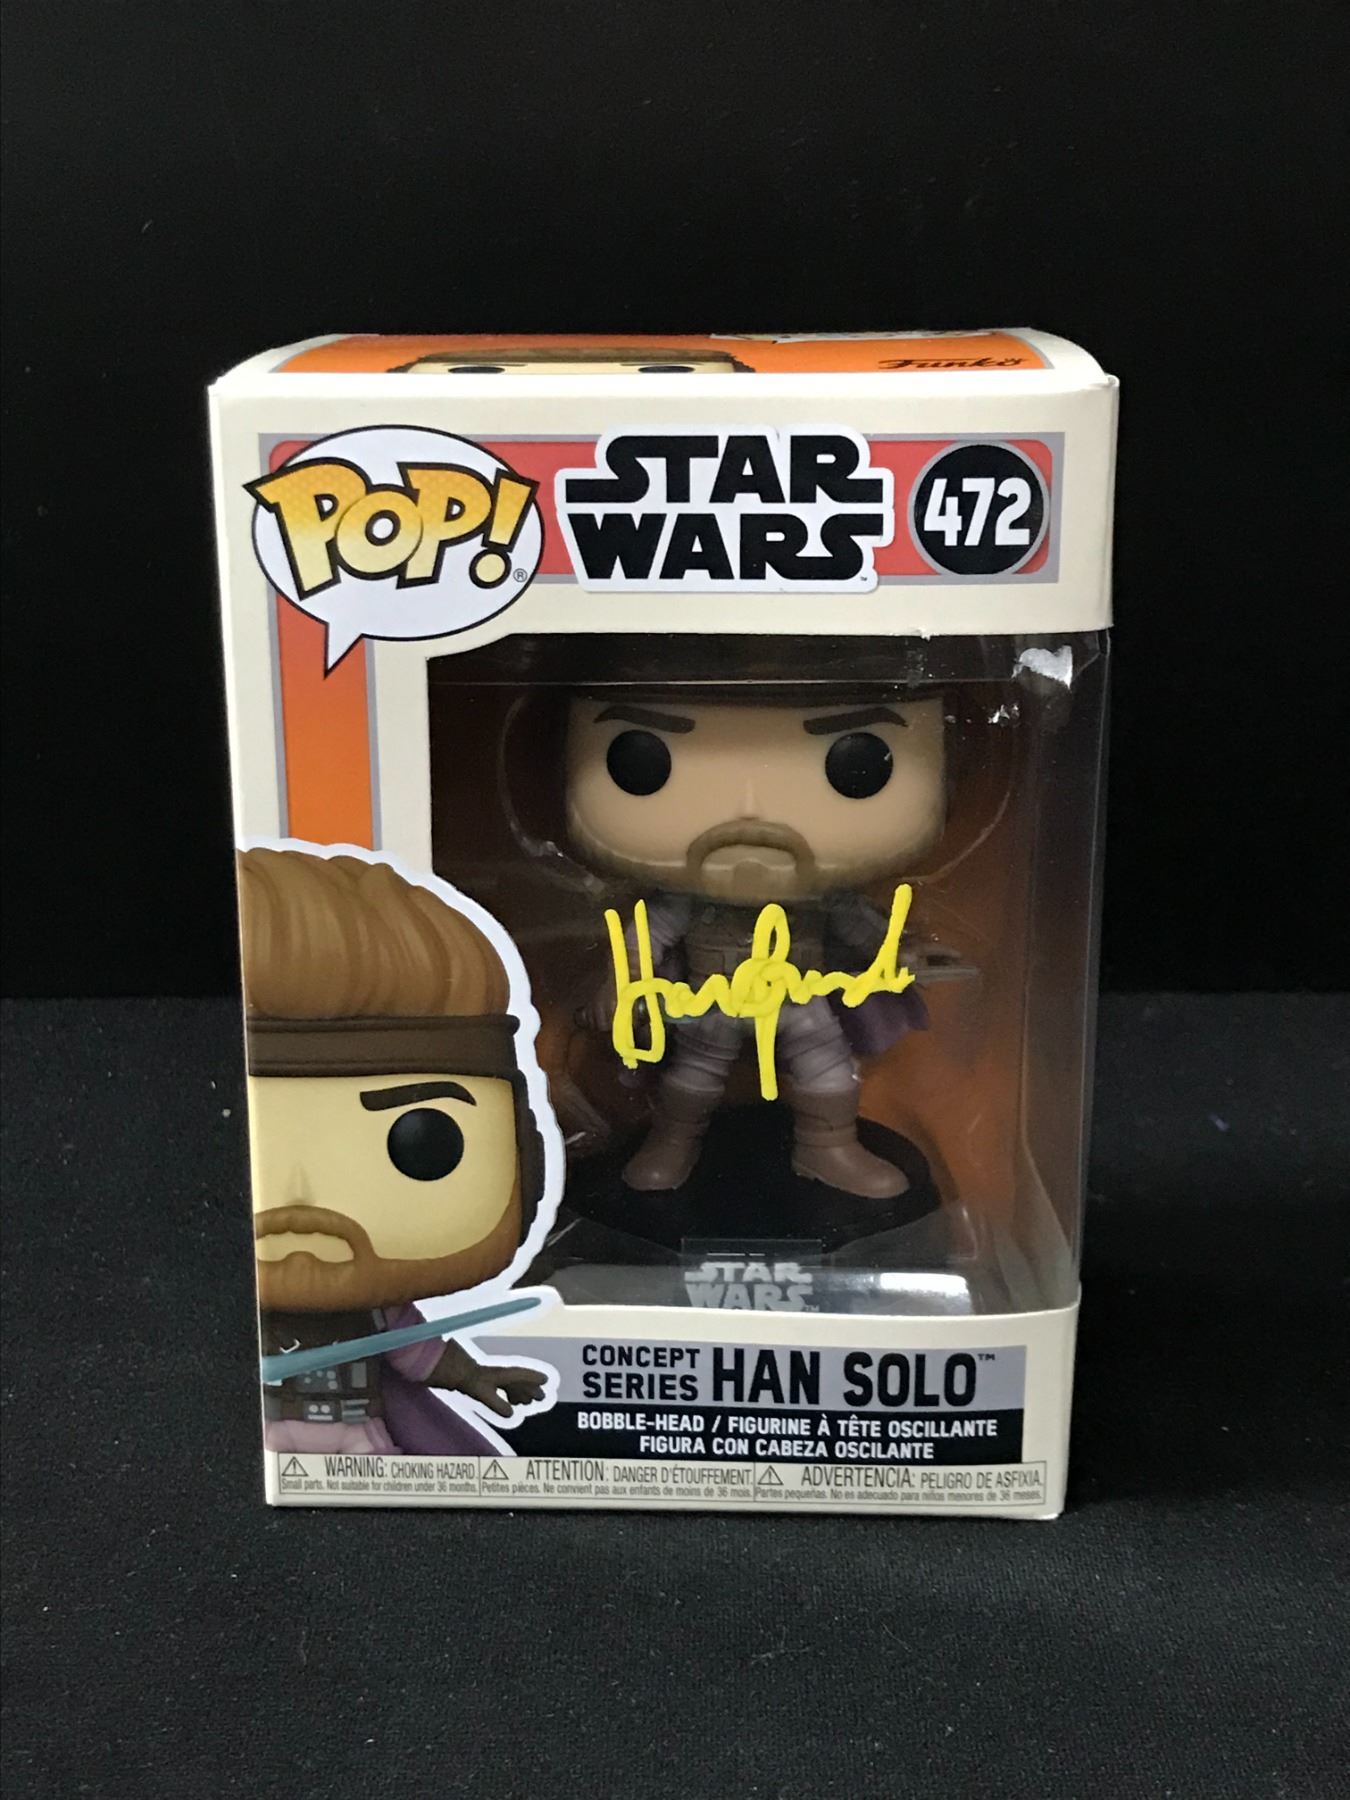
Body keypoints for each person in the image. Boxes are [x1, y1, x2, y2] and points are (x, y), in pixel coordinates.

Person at [240, 848, 548, 1455]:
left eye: (425, 1142)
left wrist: (475, 1376)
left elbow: (417, 1352)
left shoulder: (378, 1312)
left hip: (360, 1447)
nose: (303, 1199)